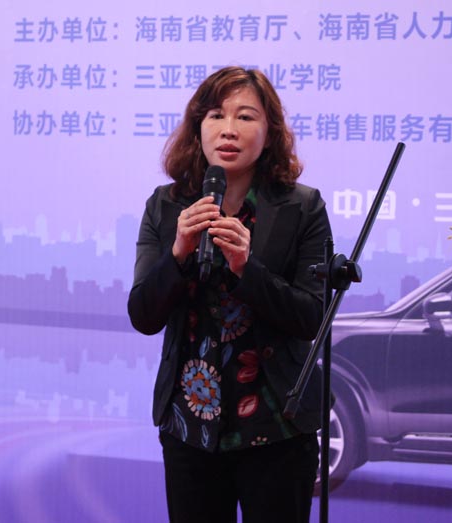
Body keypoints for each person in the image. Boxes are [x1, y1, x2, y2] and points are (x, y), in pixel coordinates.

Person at [127, 66, 331, 523]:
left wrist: (246, 268)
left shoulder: (302, 207)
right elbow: (143, 315)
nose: (229, 129)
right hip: (189, 428)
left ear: (269, 131)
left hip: (277, 426)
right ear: (198, 126)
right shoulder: (166, 205)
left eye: (246, 116)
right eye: (217, 115)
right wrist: (178, 254)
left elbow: (310, 319)